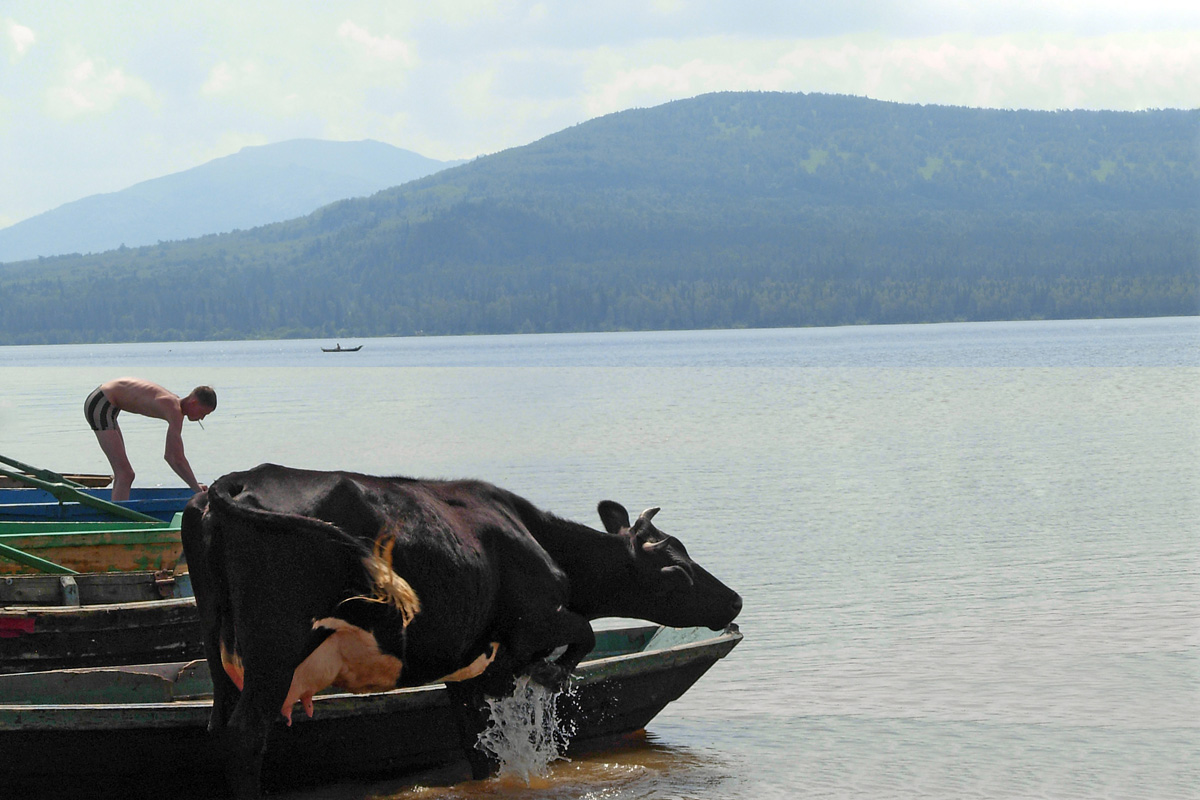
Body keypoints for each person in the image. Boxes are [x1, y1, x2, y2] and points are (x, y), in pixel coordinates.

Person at [84, 377, 217, 501]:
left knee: (124, 474)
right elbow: (174, 457)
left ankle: (116, 512)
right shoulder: (173, 409)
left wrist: (194, 485)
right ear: (194, 403)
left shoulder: (175, 405)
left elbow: (174, 456)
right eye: (203, 413)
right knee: (125, 474)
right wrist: (196, 489)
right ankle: (117, 521)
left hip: (106, 403)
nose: (202, 418)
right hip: (101, 402)